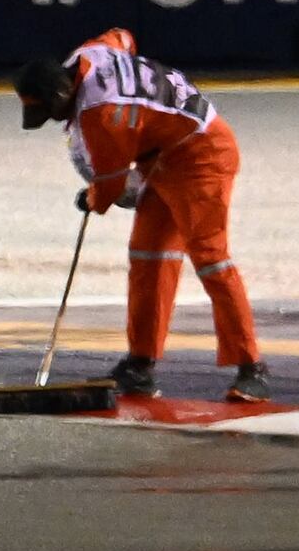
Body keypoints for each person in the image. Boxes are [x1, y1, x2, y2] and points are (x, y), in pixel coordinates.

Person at [20, 28, 270, 402]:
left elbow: (110, 188)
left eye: (50, 112)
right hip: (165, 158)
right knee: (148, 254)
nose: (56, 120)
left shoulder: (98, 114)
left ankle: (252, 367)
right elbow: (123, 36)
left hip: (204, 155)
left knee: (210, 258)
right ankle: (140, 365)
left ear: (61, 93)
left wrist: (91, 198)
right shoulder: (90, 53)